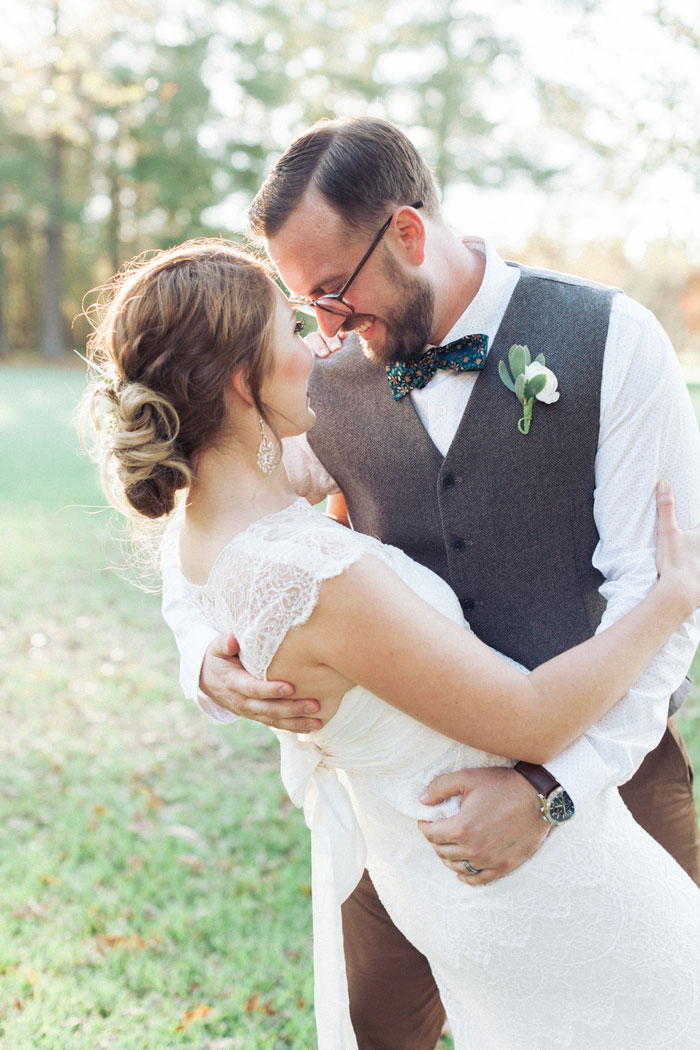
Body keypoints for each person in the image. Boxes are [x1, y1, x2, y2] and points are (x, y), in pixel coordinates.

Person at [81, 239, 700, 1050]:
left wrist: (202, 654)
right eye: (295, 322)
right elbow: (529, 717)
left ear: (404, 232)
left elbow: (214, 524)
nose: (323, 335)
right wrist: (671, 601)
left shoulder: (225, 512)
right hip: (493, 863)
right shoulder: (316, 557)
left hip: (554, 812)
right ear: (240, 380)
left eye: (327, 295)